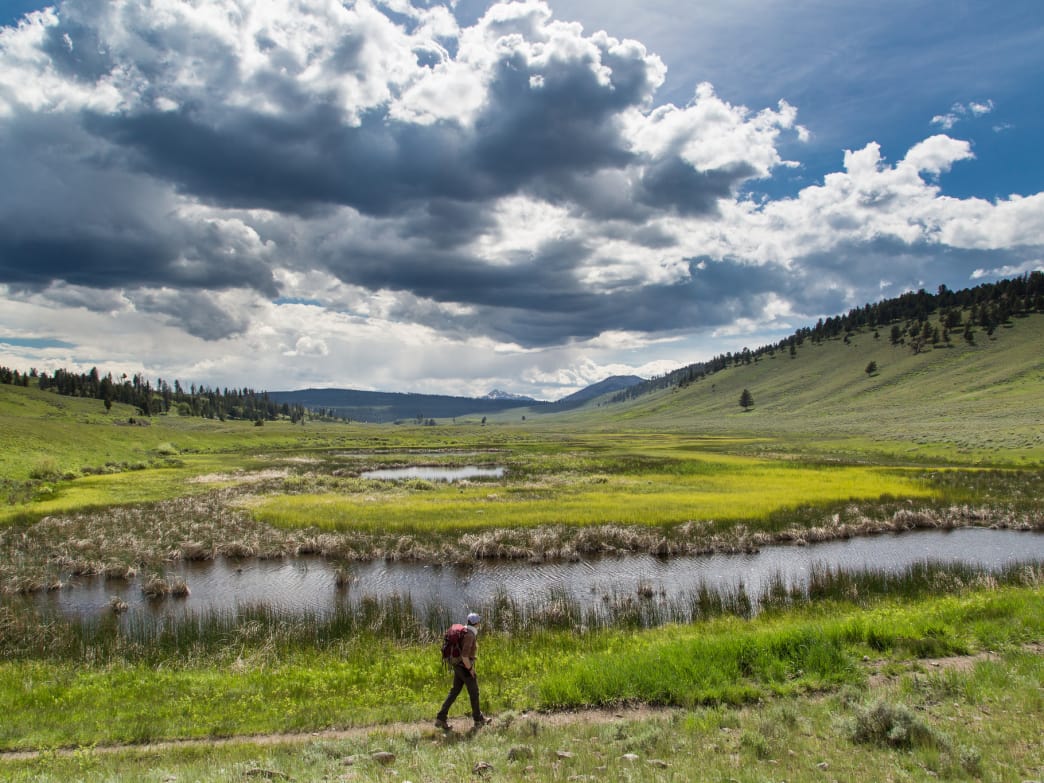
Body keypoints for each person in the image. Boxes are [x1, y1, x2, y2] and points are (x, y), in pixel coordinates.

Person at [435, 612, 489, 729]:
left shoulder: (464, 630)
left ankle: (441, 718)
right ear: (476, 623)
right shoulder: (469, 635)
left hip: (457, 666)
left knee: (454, 691)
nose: (480, 623)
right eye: (479, 622)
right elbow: (465, 656)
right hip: (464, 667)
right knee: (474, 693)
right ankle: (478, 719)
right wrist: (470, 669)